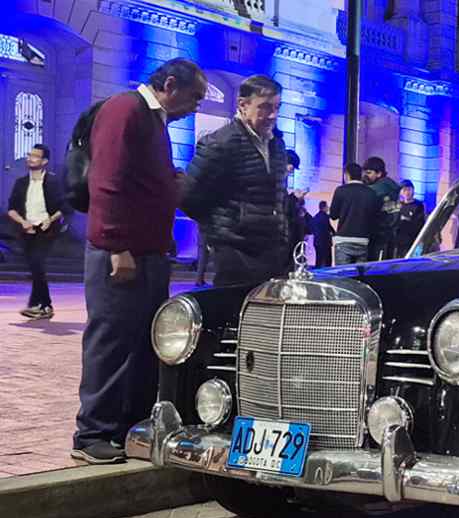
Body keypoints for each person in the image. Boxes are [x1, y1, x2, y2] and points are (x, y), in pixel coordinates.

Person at [74, 58, 207, 464]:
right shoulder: (125, 109)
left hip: (147, 253)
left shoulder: (153, 120)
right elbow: (107, 181)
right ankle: (92, 433)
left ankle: (130, 425)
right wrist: (116, 245)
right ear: (170, 84)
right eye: (195, 97)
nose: (196, 107)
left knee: (141, 343)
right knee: (111, 341)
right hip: (121, 253)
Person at [180, 74, 290, 287]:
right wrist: (222, 230)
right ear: (242, 105)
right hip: (236, 253)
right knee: (234, 314)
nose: (273, 115)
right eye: (265, 107)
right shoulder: (220, 143)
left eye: (277, 107)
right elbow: (188, 197)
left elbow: (278, 196)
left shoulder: (277, 144)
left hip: (272, 250)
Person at [6, 144, 67, 319]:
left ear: (44, 161)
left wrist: (50, 219)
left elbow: (64, 206)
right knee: (35, 267)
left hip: (46, 230)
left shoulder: (53, 182)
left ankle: (45, 305)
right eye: (29, 155)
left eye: (35, 156)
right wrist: (23, 222)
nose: (30, 158)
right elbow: (11, 208)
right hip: (26, 230)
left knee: (37, 263)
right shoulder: (21, 183)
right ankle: (37, 305)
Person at [329, 162, 382, 265]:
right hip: (363, 240)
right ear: (361, 175)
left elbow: (333, 215)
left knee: (343, 276)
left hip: (343, 239)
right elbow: (375, 217)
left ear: (347, 175)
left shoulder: (341, 190)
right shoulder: (371, 193)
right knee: (359, 277)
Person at [362, 156, 403, 259]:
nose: (365, 176)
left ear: (379, 174)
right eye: (365, 172)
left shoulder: (378, 188)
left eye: (369, 173)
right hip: (389, 236)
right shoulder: (389, 187)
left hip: (379, 236)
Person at [285, 149, 310, 258]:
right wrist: (294, 197)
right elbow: (283, 205)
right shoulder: (275, 178)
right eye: (292, 167)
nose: (292, 171)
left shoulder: (281, 179)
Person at [393, 179, 426, 258]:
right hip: (399, 241)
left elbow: (419, 223)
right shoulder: (398, 205)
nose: (407, 192)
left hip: (412, 240)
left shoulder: (418, 205)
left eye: (409, 190)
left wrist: (406, 220)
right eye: (404, 190)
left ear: (413, 190)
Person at [310, 200, 333, 267]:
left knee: (318, 261)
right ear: (324, 207)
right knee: (327, 262)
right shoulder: (325, 217)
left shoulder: (315, 217)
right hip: (325, 243)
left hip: (317, 242)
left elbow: (311, 228)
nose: (328, 208)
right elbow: (328, 228)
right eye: (327, 206)